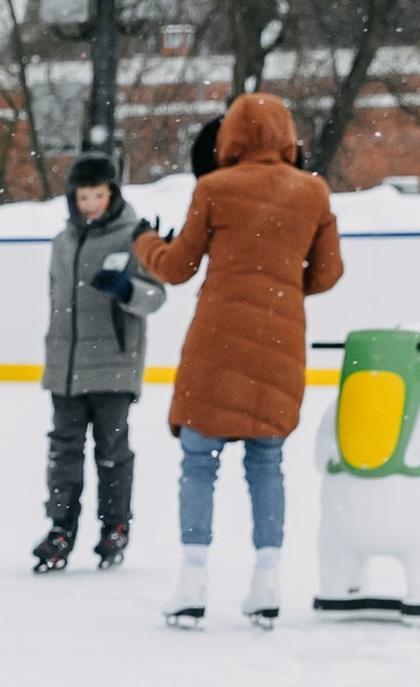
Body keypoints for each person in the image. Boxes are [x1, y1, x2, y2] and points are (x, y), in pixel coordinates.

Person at [138, 92, 343, 630]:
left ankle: (192, 582)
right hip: (280, 341)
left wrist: (145, 244)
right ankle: (267, 582)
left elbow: (177, 268)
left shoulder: (214, 187)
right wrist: (279, 286)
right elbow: (327, 273)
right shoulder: (313, 191)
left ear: (229, 136)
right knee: (267, 462)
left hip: (217, 340)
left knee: (198, 462)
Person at [34, 151, 165, 573]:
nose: (90, 204)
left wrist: (127, 290)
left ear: (113, 193)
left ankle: (115, 526)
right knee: (64, 451)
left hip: (113, 365)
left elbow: (155, 297)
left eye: (98, 195)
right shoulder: (62, 242)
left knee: (112, 450)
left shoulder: (134, 236)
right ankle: (60, 527)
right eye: (83, 196)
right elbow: (57, 303)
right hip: (66, 368)